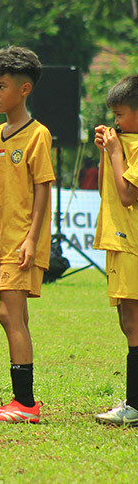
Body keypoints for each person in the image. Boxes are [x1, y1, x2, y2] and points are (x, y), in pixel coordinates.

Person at [0, 46, 53, 423]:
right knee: (3, 316)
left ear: (24, 90)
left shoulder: (38, 135)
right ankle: (2, 400)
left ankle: (25, 403)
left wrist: (30, 239)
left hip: (20, 241)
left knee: (12, 317)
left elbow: (43, 188)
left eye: (2, 86)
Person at [92, 75, 138, 426]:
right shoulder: (125, 145)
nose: (116, 122)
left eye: (120, 115)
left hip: (132, 245)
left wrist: (114, 152)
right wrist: (109, 152)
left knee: (134, 324)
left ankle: (134, 406)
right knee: (128, 321)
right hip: (120, 242)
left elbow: (126, 194)